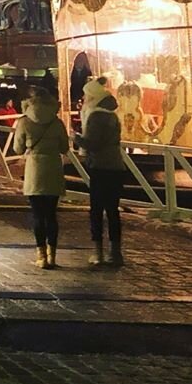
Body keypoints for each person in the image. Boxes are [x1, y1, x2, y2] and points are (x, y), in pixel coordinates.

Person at [12, 86, 69, 269]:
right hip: (53, 166)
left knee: (37, 214)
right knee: (51, 214)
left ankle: (41, 256)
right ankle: (53, 256)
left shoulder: (25, 121)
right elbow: (64, 147)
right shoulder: (57, 122)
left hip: (34, 168)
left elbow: (18, 149)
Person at [76, 77, 126, 266]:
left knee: (97, 209)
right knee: (113, 210)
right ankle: (116, 252)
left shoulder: (96, 116)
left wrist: (76, 138)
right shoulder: (112, 115)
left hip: (100, 167)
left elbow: (93, 144)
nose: (84, 98)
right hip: (116, 166)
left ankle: (98, 252)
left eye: (87, 95)